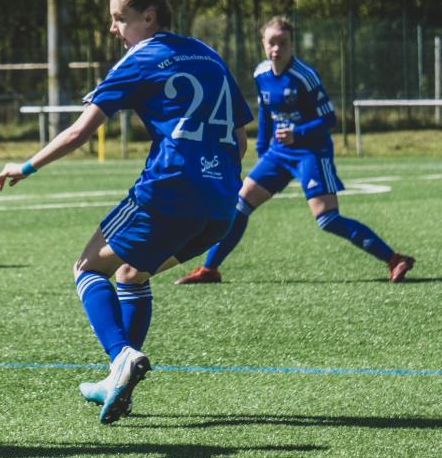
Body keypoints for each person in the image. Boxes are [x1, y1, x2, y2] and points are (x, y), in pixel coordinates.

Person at [0, 0, 252, 424]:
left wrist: (27, 165)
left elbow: (79, 131)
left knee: (87, 267)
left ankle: (119, 358)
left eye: (119, 18)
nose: (114, 28)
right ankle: (120, 383)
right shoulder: (209, 55)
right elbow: (241, 137)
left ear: (148, 17)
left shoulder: (139, 58)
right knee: (132, 274)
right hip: (220, 203)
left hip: (169, 188)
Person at [175, 16, 415, 285]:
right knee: (239, 205)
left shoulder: (305, 76)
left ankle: (395, 259)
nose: (276, 49)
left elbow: (329, 119)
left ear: (292, 45)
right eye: (271, 43)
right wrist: (263, 147)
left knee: (327, 219)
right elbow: (266, 112)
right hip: (279, 153)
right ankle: (210, 269)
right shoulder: (261, 73)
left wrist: (297, 133)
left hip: (311, 152)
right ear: (263, 44)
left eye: (283, 43)